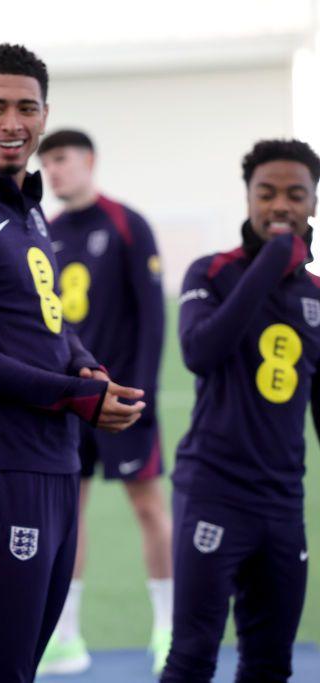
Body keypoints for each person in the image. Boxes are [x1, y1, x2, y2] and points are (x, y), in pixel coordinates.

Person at [0, 44, 145, 682]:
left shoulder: (28, 206)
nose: (12, 121)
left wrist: (85, 365)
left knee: (20, 666)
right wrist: (72, 394)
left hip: (54, 460)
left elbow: (47, 321)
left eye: (26, 108)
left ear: (44, 115)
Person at [161, 139, 320, 682]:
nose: (281, 206)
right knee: (192, 656)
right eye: (267, 193)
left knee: (271, 661)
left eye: (296, 195)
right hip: (214, 492)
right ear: (248, 197)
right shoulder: (211, 273)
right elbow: (199, 353)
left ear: (313, 203)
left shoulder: (317, 296)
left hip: (282, 504)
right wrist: (275, 258)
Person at [36, 129, 171, 675]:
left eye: (62, 159)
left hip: (127, 398)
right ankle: (65, 637)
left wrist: (142, 394)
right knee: (71, 514)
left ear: (89, 161)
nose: (54, 172)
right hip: (75, 401)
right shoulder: (44, 229)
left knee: (148, 506)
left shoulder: (126, 223)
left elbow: (154, 317)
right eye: (47, 163)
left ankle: (170, 630)